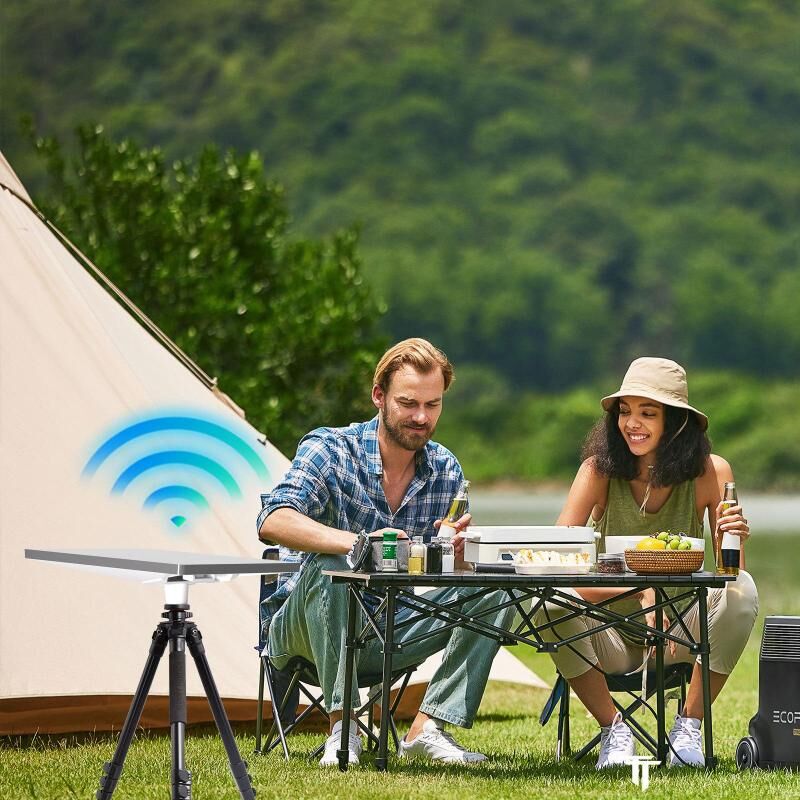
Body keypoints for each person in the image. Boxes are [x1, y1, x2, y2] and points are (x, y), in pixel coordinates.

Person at [257, 338, 515, 767]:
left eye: (433, 405)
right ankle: (344, 727)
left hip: (392, 628)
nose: (421, 417)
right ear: (379, 396)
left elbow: (437, 571)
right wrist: (360, 543)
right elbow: (272, 520)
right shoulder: (330, 450)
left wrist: (456, 556)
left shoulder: (446, 470)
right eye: (408, 403)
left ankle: (427, 727)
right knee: (334, 566)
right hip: (304, 630)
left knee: (497, 585)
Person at [537, 357, 758, 769]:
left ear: (675, 422)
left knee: (744, 589)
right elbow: (556, 564)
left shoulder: (711, 472)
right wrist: (637, 590)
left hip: (681, 636)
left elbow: (730, 578)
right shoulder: (597, 471)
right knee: (548, 602)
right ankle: (613, 729)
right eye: (625, 411)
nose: (632, 423)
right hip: (611, 636)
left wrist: (733, 536)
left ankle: (688, 726)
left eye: (648, 413)